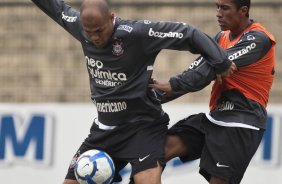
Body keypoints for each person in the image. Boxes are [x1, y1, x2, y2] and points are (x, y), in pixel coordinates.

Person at [30, 0, 234, 183]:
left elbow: (186, 32)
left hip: (143, 128)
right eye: (88, 32)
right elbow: (55, 8)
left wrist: (221, 60)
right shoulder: (82, 28)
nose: (94, 37)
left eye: (99, 31)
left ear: (112, 17)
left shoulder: (137, 33)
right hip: (104, 132)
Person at [150, 0, 276, 184]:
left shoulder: (258, 39)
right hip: (215, 117)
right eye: (217, 6)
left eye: (224, 8)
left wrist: (173, 86)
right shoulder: (221, 37)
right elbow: (198, 70)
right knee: (158, 150)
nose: (218, 13)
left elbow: (209, 69)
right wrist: (156, 96)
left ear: (243, 10)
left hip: (241, 121)